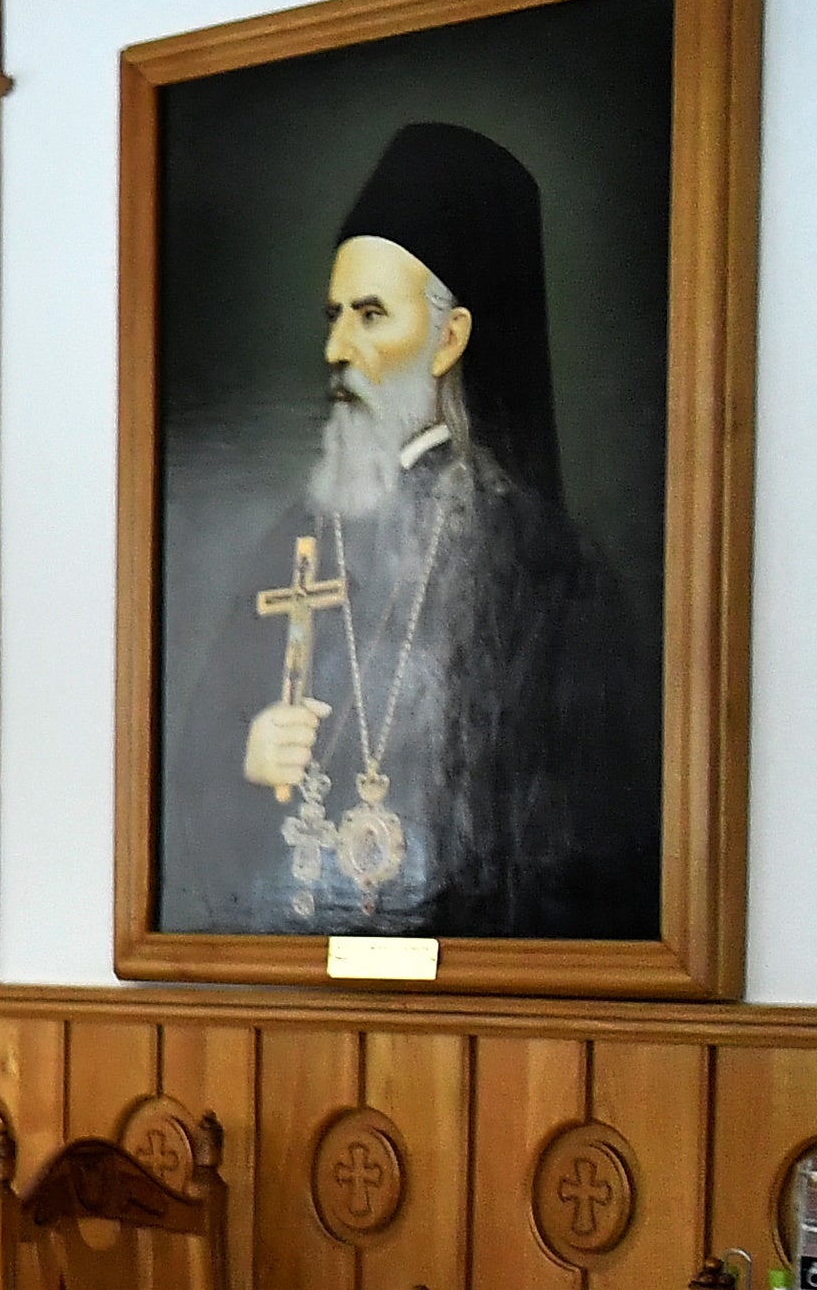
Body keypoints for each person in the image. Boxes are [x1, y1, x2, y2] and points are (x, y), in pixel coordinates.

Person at [181, 118, 659, 943]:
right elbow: (190, 783)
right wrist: (246, 759)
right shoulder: (295, 541)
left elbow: (588, 839)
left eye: (371, 315)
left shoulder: (544, 563)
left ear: (451, 337)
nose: (337, 347)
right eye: (334, 314)